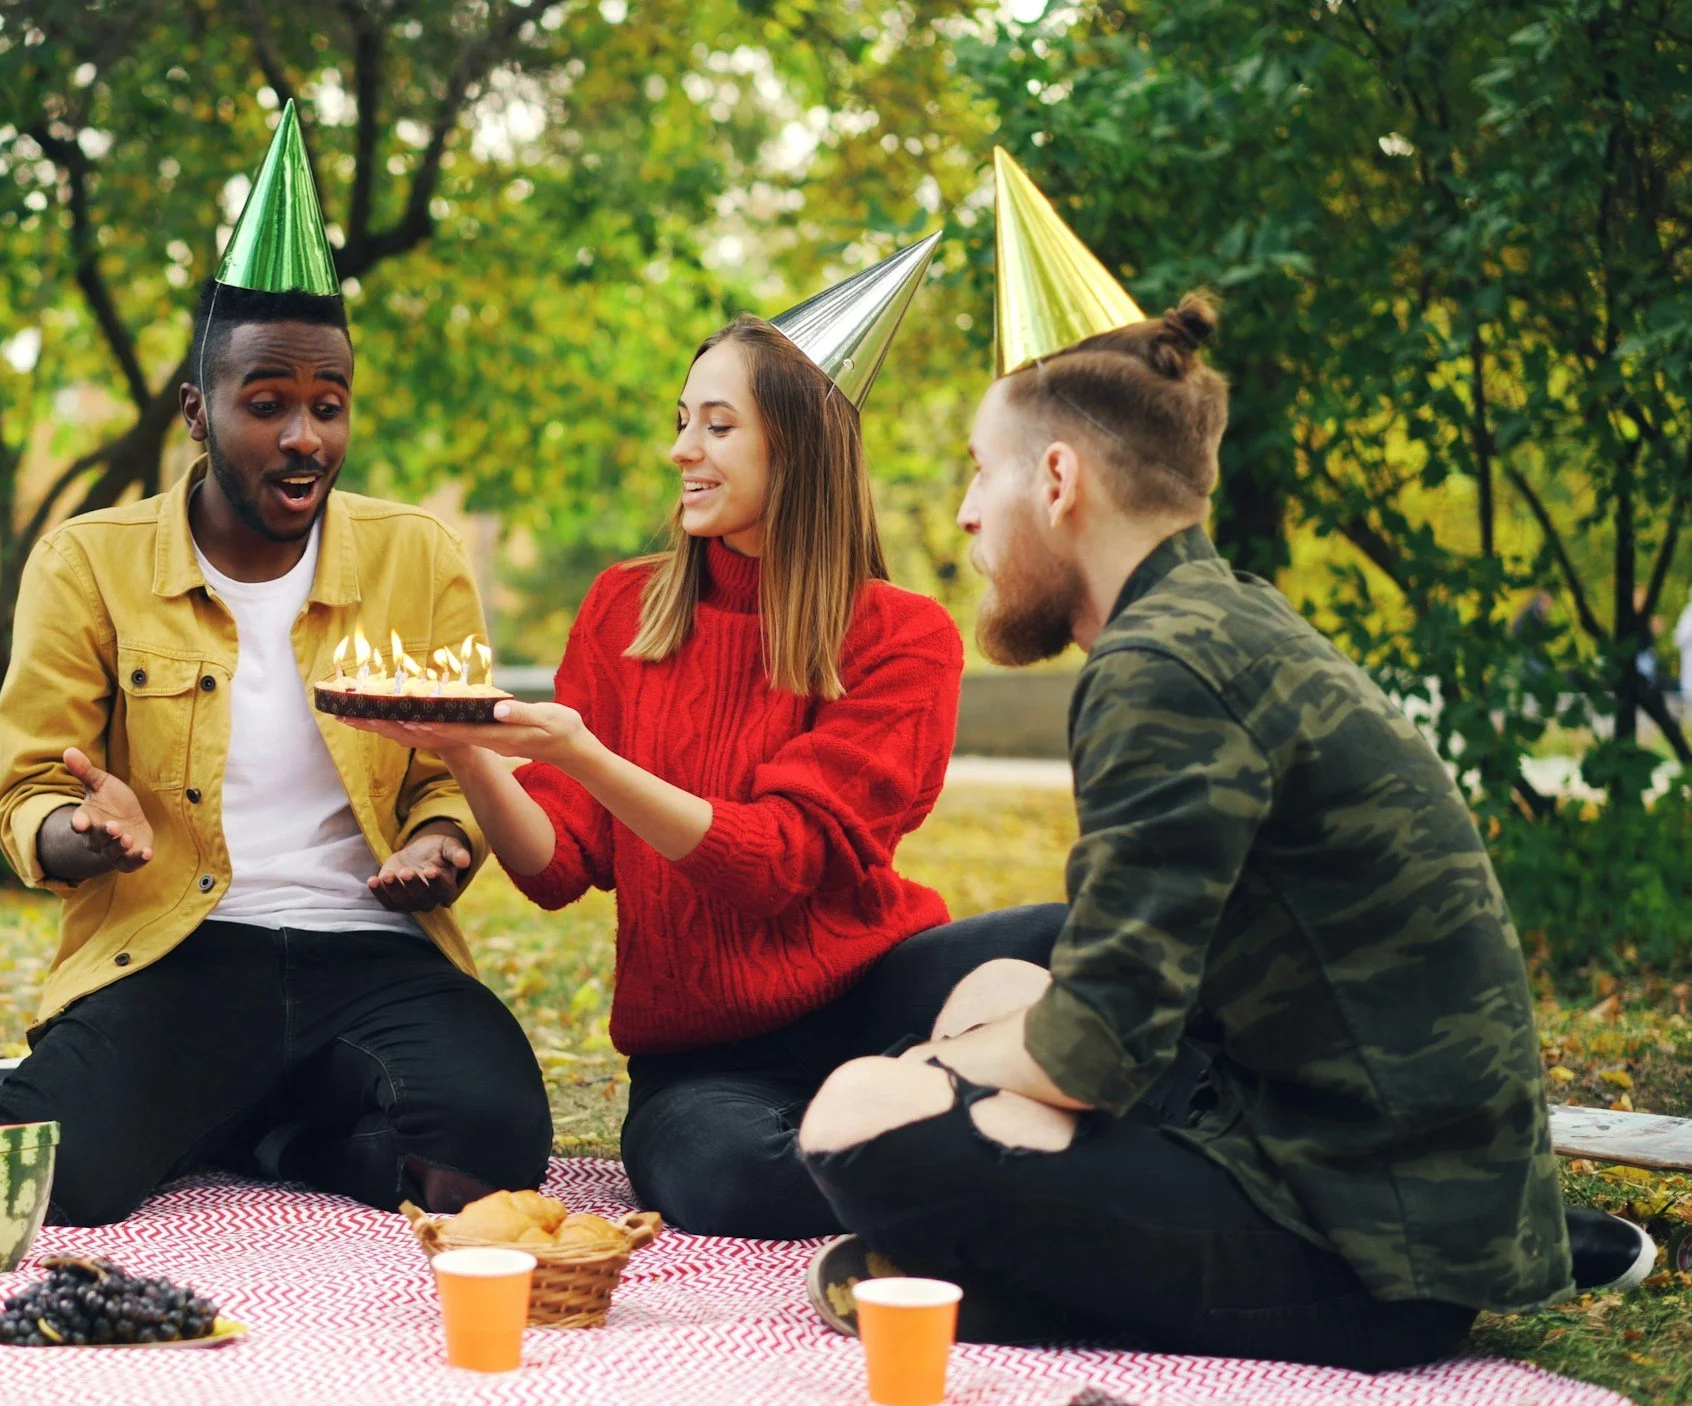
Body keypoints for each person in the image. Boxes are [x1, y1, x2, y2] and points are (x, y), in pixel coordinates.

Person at [794, 292, 1653, 1369]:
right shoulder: (1219, 614)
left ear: (1056, 479)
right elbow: (1133, 992)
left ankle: (997, 1266)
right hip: (1349, 1156)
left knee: (855, 1116)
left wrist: (931, 1068)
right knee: (992, 990)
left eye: (980, 471)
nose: (967, 512)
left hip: (1370, 1257)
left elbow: (1092, 1050)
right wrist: (968, 1062)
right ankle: (1002, 1256)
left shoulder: (1160, 667)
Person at [0, 103, 551, 1226]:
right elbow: (27, 795)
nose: (304, 437)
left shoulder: (416, 555)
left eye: (328, 406)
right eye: (266, 404)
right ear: (197, 410)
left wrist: (438, 842)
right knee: (62, 1184)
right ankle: (20, 1096)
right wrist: (86, 832)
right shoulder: (88, 562)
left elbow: (448, 769)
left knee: (493, 1150)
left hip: (373, 954)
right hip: (180, 946)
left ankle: (258, 1125)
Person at [348, 258, 1085, 1237]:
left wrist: (585, 755)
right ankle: (969, 1117)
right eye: (681, 420)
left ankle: (918, 1100)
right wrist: (468, 748)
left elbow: (777, 864)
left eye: (718, 425)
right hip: (703, 1060)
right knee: (732, 1181)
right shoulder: (623, 607)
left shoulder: (902, 636)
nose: (681, 449)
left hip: (879, 993)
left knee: (1086, 938)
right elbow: (557, 867)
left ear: (799, 447)